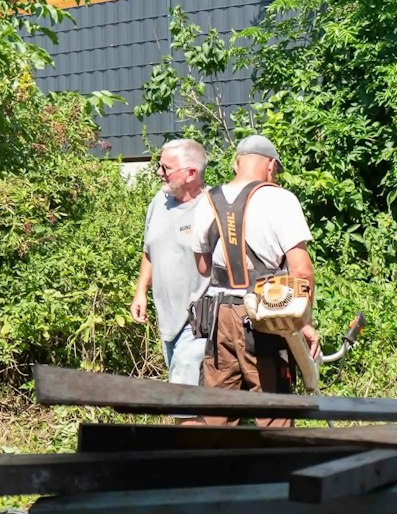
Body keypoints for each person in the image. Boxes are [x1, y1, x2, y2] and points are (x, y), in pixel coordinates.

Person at [190, 135, 317, 425]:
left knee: (218, 411)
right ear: (271, 165)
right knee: (274, 411)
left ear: (237, 163)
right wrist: (304, 322)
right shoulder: (280, 199)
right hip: (267, 313)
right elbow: (301, 271)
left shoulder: (207, 201)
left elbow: (203, 267)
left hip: (219, 317)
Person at [129, 139, 211, 392]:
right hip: (168, 319)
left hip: (199, 320)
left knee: (181, 396)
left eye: (166, 168)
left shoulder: (211, 207)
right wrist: (140, 291)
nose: (159, 172)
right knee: (185, 388)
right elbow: (149, 250)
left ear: (191, 173)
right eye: (159, 165)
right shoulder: (159, 202)